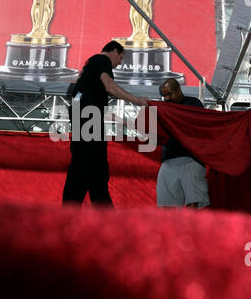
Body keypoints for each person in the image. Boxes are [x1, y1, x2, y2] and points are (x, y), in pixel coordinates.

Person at [62, 40, 148, 206]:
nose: (119, 63)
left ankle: (82, 215)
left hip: (86, 127)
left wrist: (126, 123)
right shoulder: (101, 61)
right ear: (114, 50)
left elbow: (100, 110)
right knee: (88, 173)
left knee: (92, 176)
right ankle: (80, 215)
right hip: (89, 130)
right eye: (121, 57)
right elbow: (110, 86)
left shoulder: (89, 75)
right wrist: (136, 101)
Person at [157, 78, 210, 209]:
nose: (167, 98)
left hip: (191, 158)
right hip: (168, 160)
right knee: (165, 203)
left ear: (179, 90)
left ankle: (190, 229)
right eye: (164, 96)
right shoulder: (162, 108)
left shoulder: (193, 103)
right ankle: (170, 230)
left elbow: (201, 127)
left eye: (170, 94)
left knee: (194, 200)